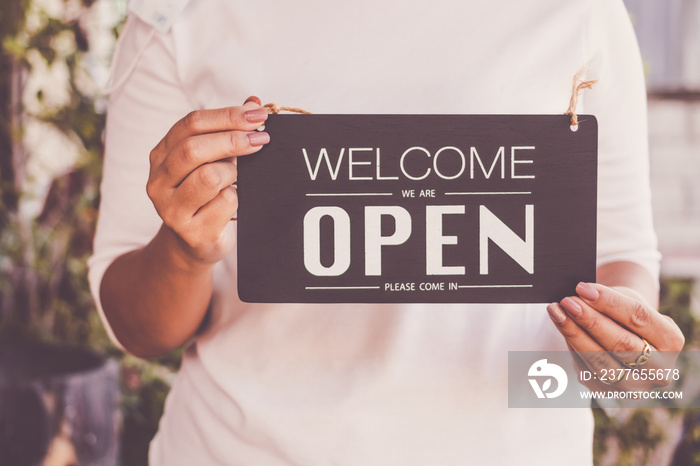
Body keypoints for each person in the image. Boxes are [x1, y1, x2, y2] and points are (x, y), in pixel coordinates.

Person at [88, 0, 684, 464]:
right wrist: (184, 250)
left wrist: (617, 352)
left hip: (515, 450)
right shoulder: (181, 15)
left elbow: (619, 255)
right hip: (238, 450)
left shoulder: (579, 12)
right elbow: (136, 326)